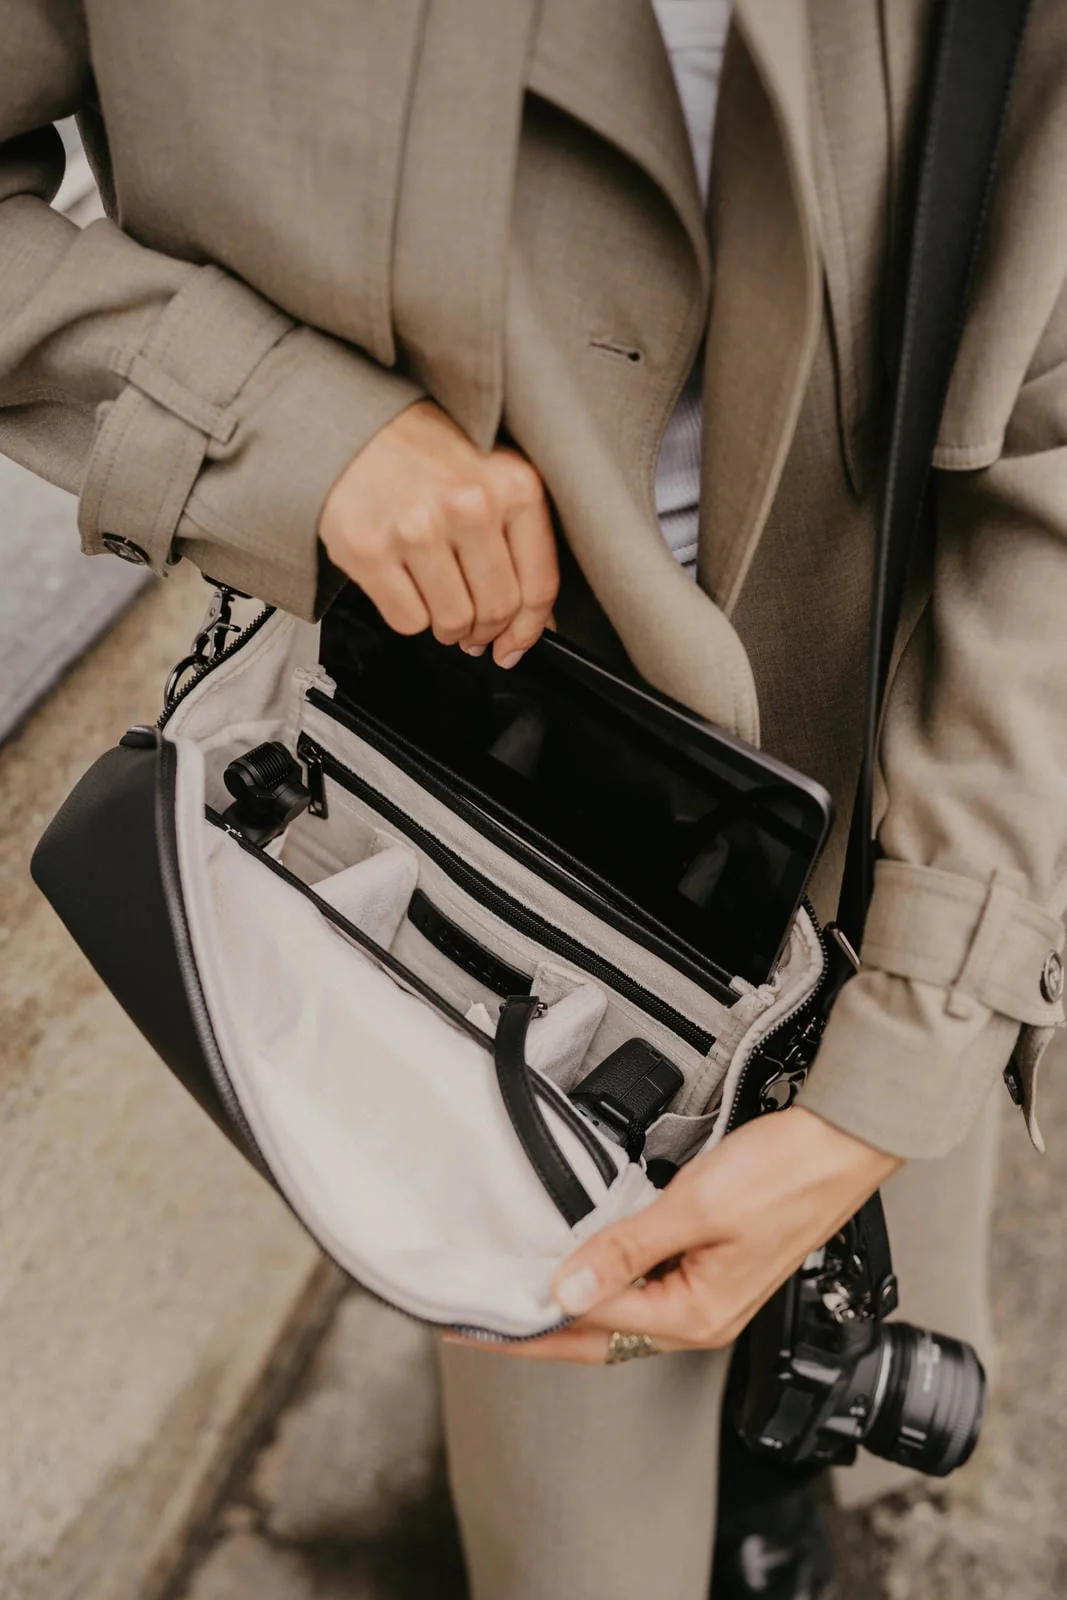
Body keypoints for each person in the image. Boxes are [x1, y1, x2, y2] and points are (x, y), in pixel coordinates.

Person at [2, 2, 1065, 1596]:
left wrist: (908, 1045)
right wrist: (283, 429)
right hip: (472, 778)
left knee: (835, 1279)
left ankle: (777, 1472)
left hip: (919, 757)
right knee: (577, 1392)